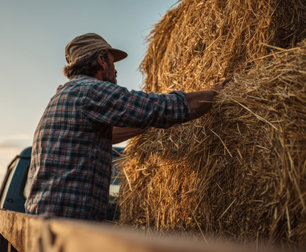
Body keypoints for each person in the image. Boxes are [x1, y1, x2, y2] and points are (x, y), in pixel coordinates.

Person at [24, 33, 231, 221]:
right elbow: (161, 108)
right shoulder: (92, 91)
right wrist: (215, 94)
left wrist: (146, 125)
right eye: (113, 63)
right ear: (101, 60)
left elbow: (107, 134)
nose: (115, 70)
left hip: (43, 223)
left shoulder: (63, 95)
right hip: (67, 227)